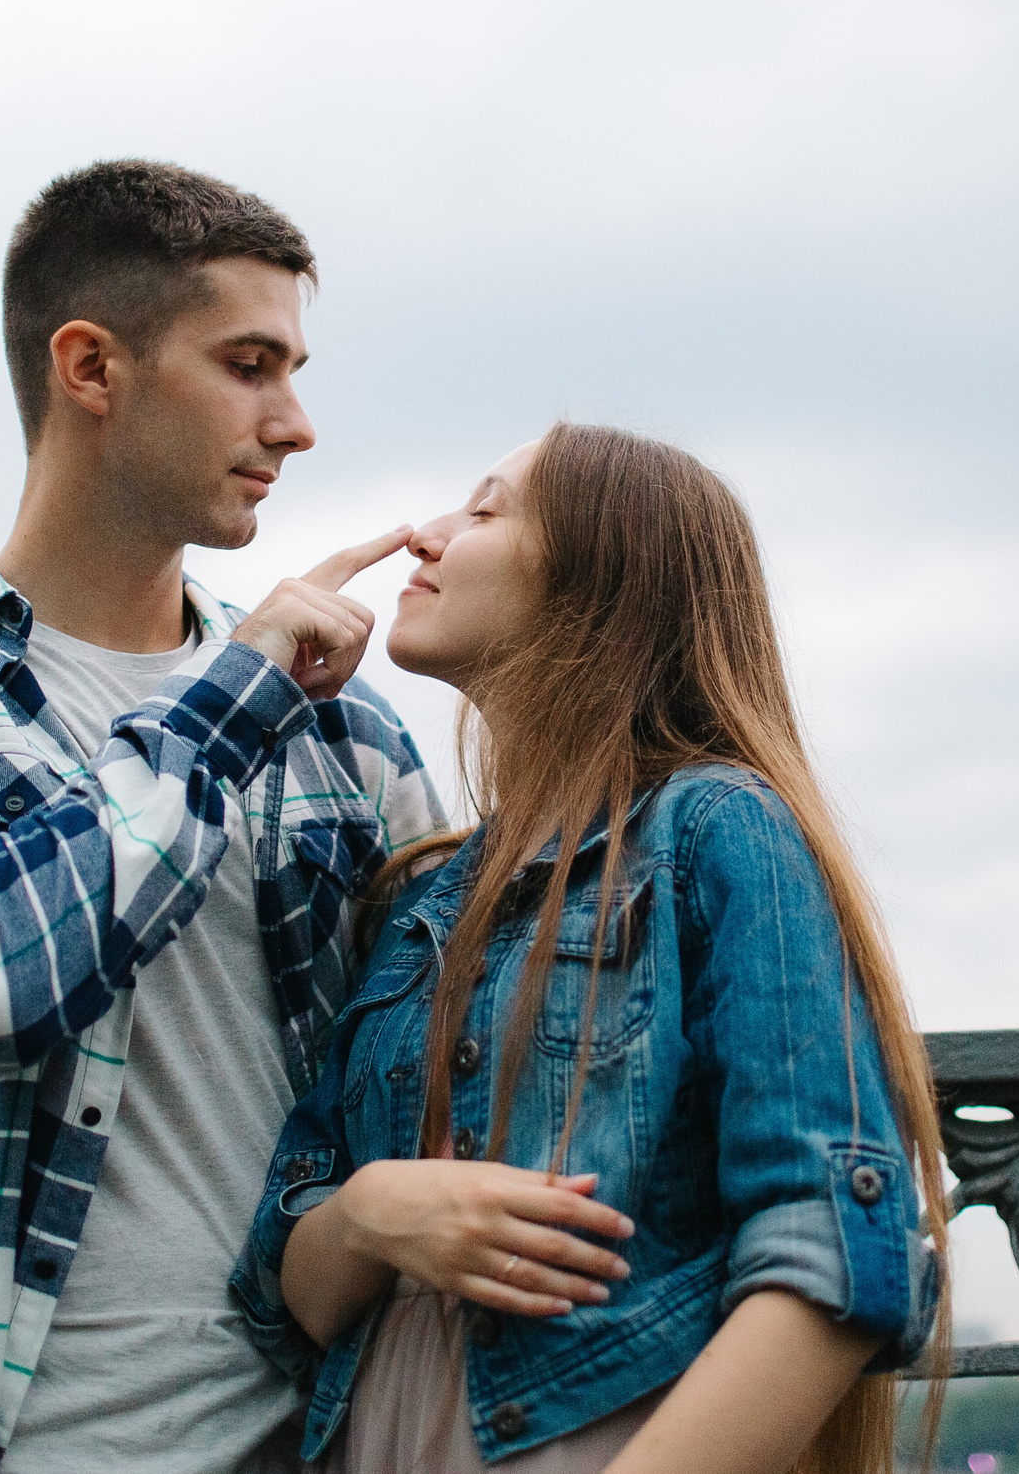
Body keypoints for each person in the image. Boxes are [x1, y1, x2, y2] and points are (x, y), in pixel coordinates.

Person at [0, 160, 442, 1474]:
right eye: (250, 364)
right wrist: (229, 694)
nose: (296, 423)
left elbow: (472, 1042)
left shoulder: (344, 732)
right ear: (92, 368)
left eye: (294, 369)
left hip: (315, 1437)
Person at [231, 425, 955, 1474]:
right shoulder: (416, 898)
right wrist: (373, 1215)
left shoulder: (716, 830)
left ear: (602, 583)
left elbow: (840, 1252)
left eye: (481, 511)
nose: (425, 537)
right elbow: (280, 1286)